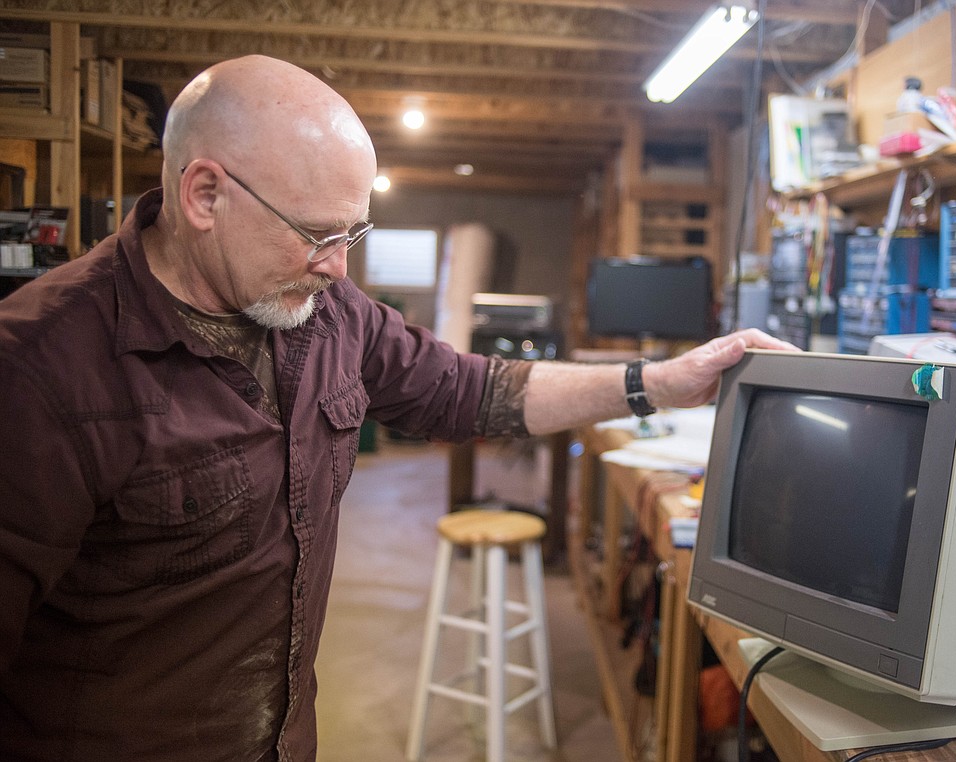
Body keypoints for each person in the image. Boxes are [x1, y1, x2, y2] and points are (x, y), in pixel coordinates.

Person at [0, 55, 793, 761]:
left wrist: (659, 382)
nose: (338, 267)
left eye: (353, 232)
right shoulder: (40, 368)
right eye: (316, 235)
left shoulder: (328, 310)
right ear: (205, 193)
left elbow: (475, 387)